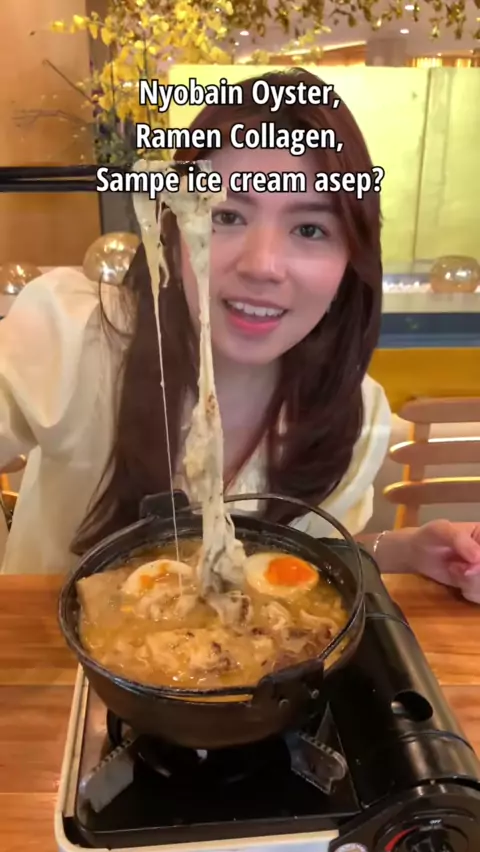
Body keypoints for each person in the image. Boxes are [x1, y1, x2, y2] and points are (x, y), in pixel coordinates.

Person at [0, 68, 479, 602]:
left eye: (310, 229)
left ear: (351, 262)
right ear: (173, 230)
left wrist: (406, 551)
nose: (262, 265)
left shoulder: (354, 413)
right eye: (225, 215)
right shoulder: (72, 335)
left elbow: (305, 557)